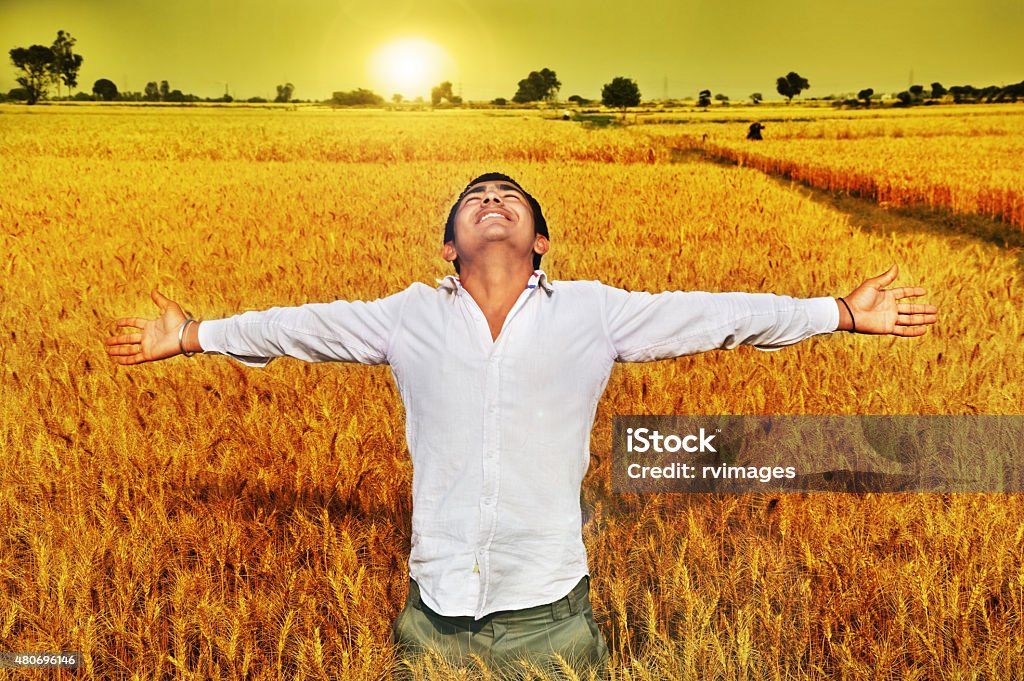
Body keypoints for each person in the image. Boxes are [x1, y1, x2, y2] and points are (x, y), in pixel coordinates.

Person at [105, 172, 938, 678]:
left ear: (538, 240)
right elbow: (296, 328)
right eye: (475, 201)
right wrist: (189, 336)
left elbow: (714, 314)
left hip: (553, 616)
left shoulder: (594, 311)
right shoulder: (406, 317)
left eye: (509, 200)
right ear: (448, 248)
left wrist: (835, 312)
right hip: (430, 618)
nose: (492, 201)